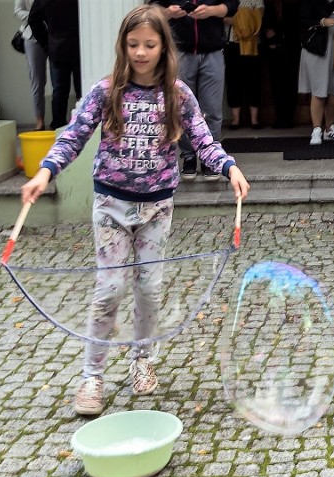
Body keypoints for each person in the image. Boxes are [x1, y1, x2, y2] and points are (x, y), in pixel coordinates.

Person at [20, 4, 250, 416]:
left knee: (148, 288)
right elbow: (73, 136)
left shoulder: (178, 95)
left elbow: (203, 140)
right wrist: (45, 173)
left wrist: (228, 167)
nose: (140, 52)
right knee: (109, 289)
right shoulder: (106, 91)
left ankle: (142, 359)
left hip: (157, 209)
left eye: (149, 44)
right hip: (111, 204)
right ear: (122, 47)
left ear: (164, 48)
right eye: (133, 44)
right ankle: (92, 376)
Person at [150, 0, 238, 180]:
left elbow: (231, 7)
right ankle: (188, 156)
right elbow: (152, 8)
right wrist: (169, 12)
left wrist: (211, 10)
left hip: (213, 50)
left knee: (212, 109)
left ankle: (210, 158)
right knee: (180, 107)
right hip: (180, 51)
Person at [298, 0, 334, 146]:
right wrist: (322, 21)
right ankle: (316, 129)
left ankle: (329, 128)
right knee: (318, 91)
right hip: (317, 49)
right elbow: (302, 20)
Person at [28, 0, 81, 129]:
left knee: (59, 90)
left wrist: (46, 43)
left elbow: (33, 20)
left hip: (57, 47)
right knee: (82, 89)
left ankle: (58, 126)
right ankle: (83, 124)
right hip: (79, 46)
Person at [224, 0, 265, 130]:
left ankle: (255, 119)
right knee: (233, 81)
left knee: (254, 81)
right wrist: (244, 18)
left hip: (253, 45)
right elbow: (222, 18)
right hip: (232, 44)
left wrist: (238, 19)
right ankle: (235, 120)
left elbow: (258, 17)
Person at [262, 0, 300, 128]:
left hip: (291, 48)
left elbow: (294, 24)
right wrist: (272, 38)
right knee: (276, 84)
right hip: (273, 49)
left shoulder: (294, 3)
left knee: (290, 83)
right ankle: (279, 116)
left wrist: (276, 33)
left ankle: (289, 117)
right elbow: (265, 26)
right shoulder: (269, 3)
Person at [14, 0, 48, 131]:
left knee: (60, 78)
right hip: (32, 36)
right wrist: (34, 15)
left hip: (54, 33)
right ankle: (39, 119)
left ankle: (60, 119)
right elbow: (17, 11)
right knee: (37, 79)